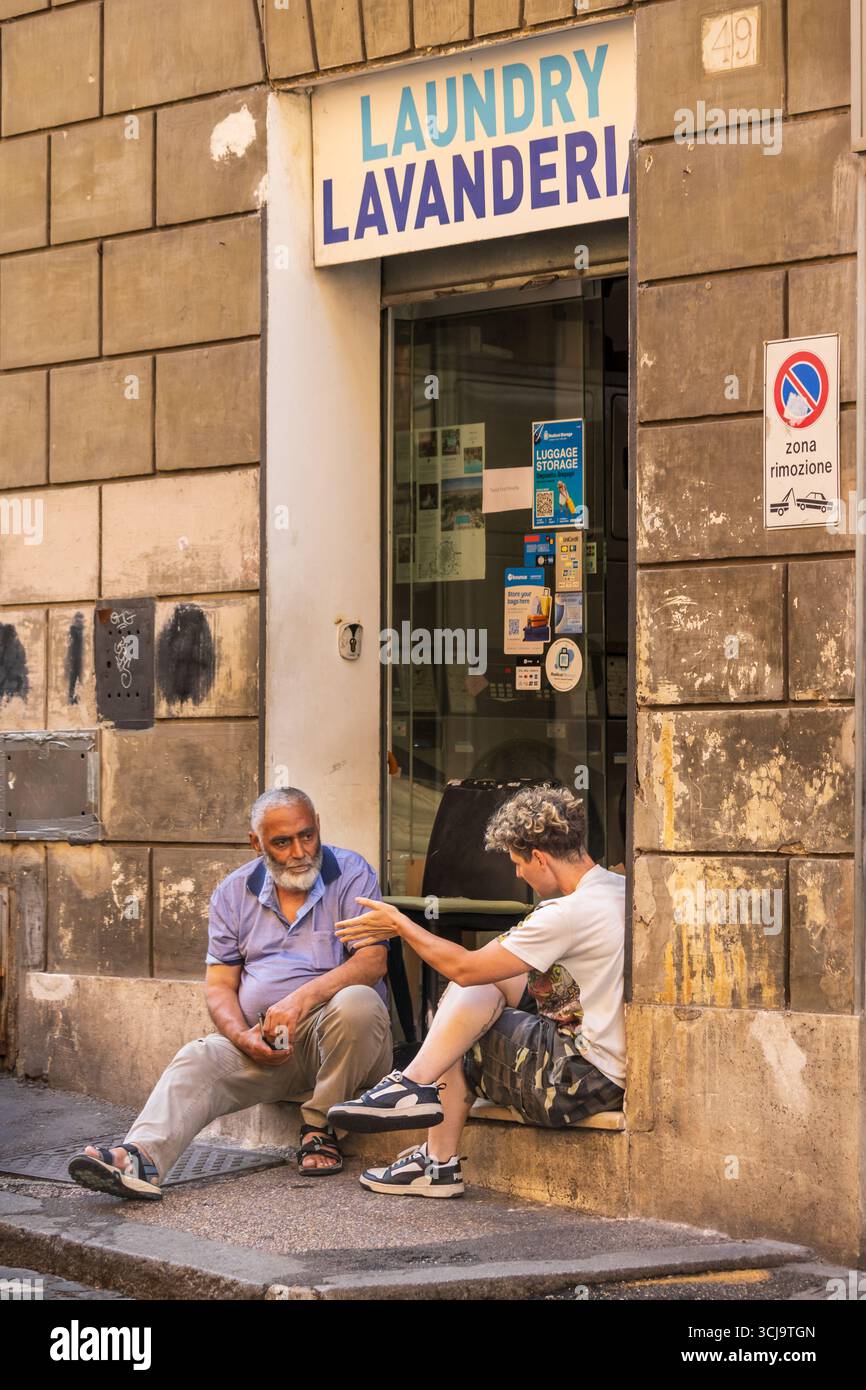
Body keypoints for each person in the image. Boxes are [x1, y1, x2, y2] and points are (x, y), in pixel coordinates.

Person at [68, 788, 392, 1200]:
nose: (299, 851)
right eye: (282, 842)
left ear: (318, 827)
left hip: (351, 1046)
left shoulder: (351, 873)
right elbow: (220, 986)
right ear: (255, 843)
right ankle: (139, 1159)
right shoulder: (232, 892)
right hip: (272, 1046)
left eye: (307, 836)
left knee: (357, 1002)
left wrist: (298, 1001)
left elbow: (371, 964)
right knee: (197, 1056)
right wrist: (242, 1036)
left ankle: (320, 1127)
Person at [328, 784, 625, 1199]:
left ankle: (431, 1145)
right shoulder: (617, 889)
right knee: (470, 999)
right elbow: (486, 975)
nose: (518, 874)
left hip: (577, 1080)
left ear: (540, 857)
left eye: (519, 863)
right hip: (602, 1068)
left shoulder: (567, 915)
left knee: (458, 1030)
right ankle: (415, 1100)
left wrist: (401, 926)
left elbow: (465, 969)